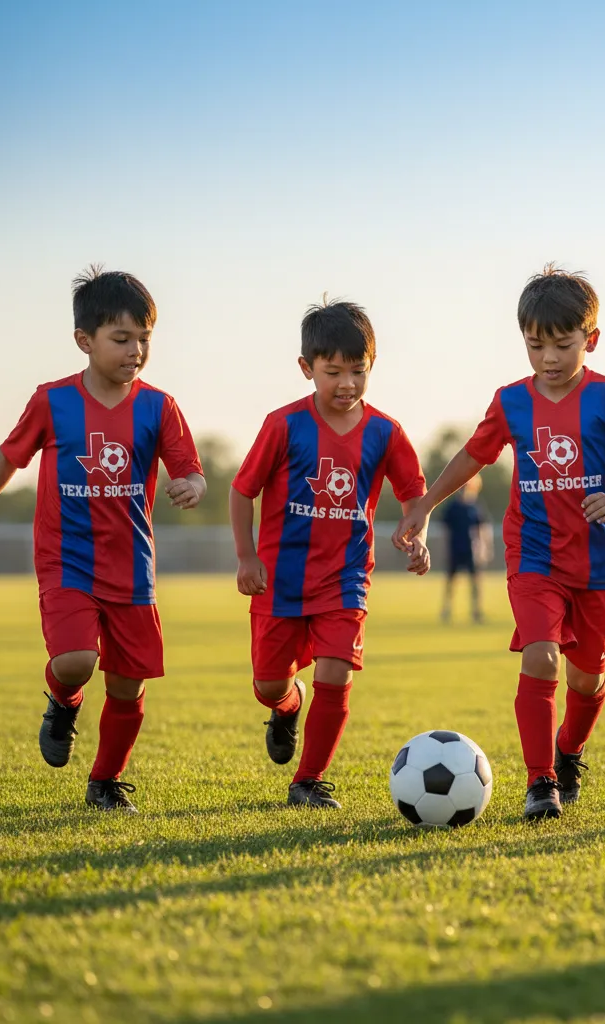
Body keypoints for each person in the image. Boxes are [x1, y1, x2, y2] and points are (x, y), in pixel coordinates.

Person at [394, 265, 605, 821]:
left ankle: (569, 753)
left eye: (563, 345)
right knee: (540, 657)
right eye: (536, 345)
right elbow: (473, 455)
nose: (549, 358)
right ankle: (540, 784)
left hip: (597, 559)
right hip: (533, 552)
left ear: (592, 340)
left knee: (588, 676)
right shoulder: (511, 401)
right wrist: (426, 504)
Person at [0, 267, 205, 813]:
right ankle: (63, 702)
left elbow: (189, 467)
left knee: (128, 683)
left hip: (133, 568)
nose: (135, 350)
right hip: (65, 559)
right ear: (84, 341)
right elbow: (9, 457)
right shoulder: (53, 401)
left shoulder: (159, 406)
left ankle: (105, 782)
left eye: (144, 338)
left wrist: (189, 484)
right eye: (122, 339)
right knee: (74, 661)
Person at [229, 299, 429, 810]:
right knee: (268, 683)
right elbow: (242, 490)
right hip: (280, 579)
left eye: (357, 371)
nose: (346, 383)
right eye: (332, 371)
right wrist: (247, 557)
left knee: (336, 671)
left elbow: (413, 495)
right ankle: (286, 706)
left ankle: (309, 781)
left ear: (371, 366)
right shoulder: (283, 425)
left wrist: (417, 533)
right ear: (306, 369)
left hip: (345, 579)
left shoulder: (385, 431)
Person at [439, 475, 493, 623]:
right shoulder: (452, 507)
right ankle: (446, 610)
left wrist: (484, 549)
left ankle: (476, 611)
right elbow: (446, 530)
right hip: (455, 549)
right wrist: (445, 550)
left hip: (472, 551)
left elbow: (483, 529)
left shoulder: (476, 506)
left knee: (475, 582)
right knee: (450, 581)